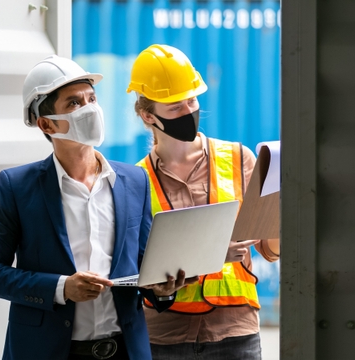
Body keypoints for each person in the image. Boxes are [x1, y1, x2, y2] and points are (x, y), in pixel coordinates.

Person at [0, 55, 193, 360]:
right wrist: (61, 288)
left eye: (92, 99)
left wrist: (162, 289)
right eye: (74, 103)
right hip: (48, 351)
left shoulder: (134, 180)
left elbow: (144, 264)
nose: (90, 109)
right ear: (46, 124)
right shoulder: (17, 186)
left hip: (124, 350)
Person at [126, 44, 280, 360]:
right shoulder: (135, 179)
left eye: (192, 100)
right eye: (174, 107)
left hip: (235, 330)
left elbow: (272, 250)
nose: (188, 112)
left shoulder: (240, 159)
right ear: (147, 115)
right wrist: (212, 254)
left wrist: (282, 206)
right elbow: (134, 268)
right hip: (165, 335)